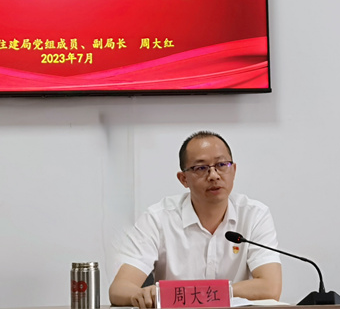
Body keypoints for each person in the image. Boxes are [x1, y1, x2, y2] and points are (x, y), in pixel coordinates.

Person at [109, 131, 282, 308]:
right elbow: (119, 289)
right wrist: (141, 294)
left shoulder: (254, 215)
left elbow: (270, 287)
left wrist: (192, 293)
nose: (214, 175)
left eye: (222, 165)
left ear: (234, 170)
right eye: (201, 168)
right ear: (183, 179)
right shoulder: (158, 218)